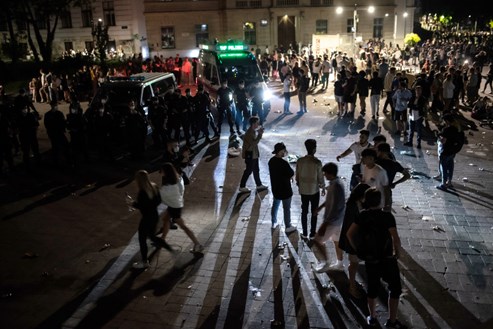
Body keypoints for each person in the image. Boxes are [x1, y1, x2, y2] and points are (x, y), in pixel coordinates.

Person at [346, 188, 406, 329]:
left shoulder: (362, 215)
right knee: (395, 289)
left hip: (370, 259)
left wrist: (358, 250)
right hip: (387, 258)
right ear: (380, 200)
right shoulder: (387, 216)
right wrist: (397, 253)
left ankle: (372, 317)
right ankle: (392, 320)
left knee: (372, 289)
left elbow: (349, 234)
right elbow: (395, 238)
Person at [127, 170, 173, 269]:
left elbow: (142, 206)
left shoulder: (142, 192)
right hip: (154, 215)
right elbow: (159, 200)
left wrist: (132, 203)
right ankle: (169, 248)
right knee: (152, 237)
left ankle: (144, 261)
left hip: (146, 218)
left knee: (142, 239)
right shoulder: (154, 186)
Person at [159, 162, 203, 253]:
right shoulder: (177, 179)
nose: (160, 172)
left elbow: (162, 198)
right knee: (166, 219)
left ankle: (197, 244)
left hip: (174, 207)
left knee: (183, 226)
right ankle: (162, 239)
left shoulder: (169, 186)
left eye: (162, 171)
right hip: (176, 204)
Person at [337, 183, 371, 298]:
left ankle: (353, 284)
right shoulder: (352, 206)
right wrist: (355, 247)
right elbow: (350, 229)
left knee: (355, 262)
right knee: (354, 263)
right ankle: (352, 286)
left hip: (358, 239)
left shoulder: (360, 203)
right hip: (353, 239)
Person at [313, 162, 346, 273]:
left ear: (329, 173)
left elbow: (335, 206)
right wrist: (320, 207)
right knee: (336, 241)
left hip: (333, 220)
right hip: (338, 219)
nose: (324, 175)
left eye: (325, 173)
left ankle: (326, 262)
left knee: (318, 240)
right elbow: (330, 200)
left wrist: (325, 223)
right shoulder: (336, 183)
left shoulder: (335, 186)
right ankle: (340, 263)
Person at [295, 139, 325, 239]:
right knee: (314, 211)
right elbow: (320, 177)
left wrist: (300, 185)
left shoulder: (300, 161)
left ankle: (304, 232)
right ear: (314, 149)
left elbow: (297, 177)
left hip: (303, 191)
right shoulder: (317, 162)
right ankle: (312, 233)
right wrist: (323, 187)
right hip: (314, 191)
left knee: (304, 211)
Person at [268, 142, 297, 232]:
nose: (285, 152)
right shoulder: (284, 163)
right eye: (284, 150)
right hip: (285, 189)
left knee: (275, 205)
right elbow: (291, 173)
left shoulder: (271, 161)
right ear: (280, 151)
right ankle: (288, 226)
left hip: (276, 188)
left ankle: (274, 222)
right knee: (286, 208)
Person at [376, 143, 410, 212]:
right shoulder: (395, 164)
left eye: (378, 151)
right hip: (387, 192)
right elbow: (407, 175)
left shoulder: (376, 162)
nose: (377, 153)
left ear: (383, 152)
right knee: (386, 212)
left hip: (376, 191)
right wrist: (395, 183)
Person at [239, 116, 268, 192]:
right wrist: (260, 134)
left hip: (254, 154)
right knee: (248, 170)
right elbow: (254, 143)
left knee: (256, 170)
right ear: (253, 123)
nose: (258, 124)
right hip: (250, 155)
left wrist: (259, 133)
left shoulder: (253, 131)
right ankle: (242, 186)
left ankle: (259, 185)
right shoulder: (249, 133)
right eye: (257, 123)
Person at [436, 113, 463, 190]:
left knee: (443, 167)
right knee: (450, 166)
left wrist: (439, 137)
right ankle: (449, 182)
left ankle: (443, 184)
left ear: (447, 121)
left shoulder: (447, 130)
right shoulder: (458, 128)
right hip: (453, 151)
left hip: (446, 151)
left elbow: (443, 141)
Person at [44, 100, 71, 165]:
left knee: (65, 146)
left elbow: (63, 122)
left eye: (56, 105)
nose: (56, 107)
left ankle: (67, 159)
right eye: (55, 105)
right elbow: (47, 125)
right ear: (52, 106)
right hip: (53, 133)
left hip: (59, 132)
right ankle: (56, 161)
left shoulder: (59, 113)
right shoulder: (48, 115)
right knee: (55, 147)